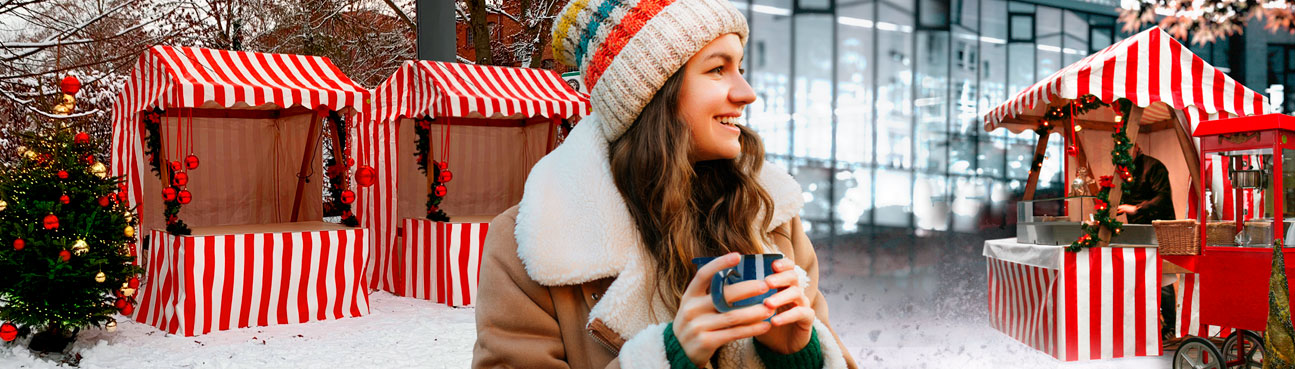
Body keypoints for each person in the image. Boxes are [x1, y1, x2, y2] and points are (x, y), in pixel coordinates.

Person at [471, 1, 857, 368]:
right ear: (651, 94)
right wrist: (667, 356)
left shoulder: (770, 217)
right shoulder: (536, 244)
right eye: (718, 69)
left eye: (740, 67)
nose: (746, 93)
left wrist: (796, 358)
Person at [1114, 143, 1176, 340]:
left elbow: (1163, 197)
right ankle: (1146, 323)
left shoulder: (1154, 166)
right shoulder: (1123, 171)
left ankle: (1170, 326)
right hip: (1137, 231)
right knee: (1140, 276)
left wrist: (1136, 208)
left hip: (1160, 228)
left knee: (1163, 278)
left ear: (1136, 147)